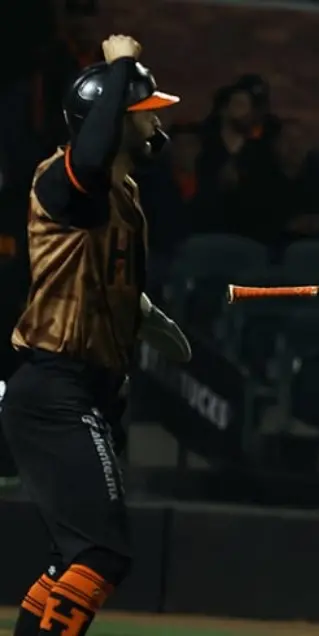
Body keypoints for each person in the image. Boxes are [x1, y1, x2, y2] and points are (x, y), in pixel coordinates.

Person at [0, 34, 191, 636]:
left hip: (90, 389)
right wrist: (120, 66)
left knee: (72, 557)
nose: (157, 122)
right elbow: (86, 163)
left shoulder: (125, 193)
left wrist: (140, 312)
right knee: (101, 553)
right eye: (143, 112)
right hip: (54, 385)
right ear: (110, 117)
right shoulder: (62, 179)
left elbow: (100, 274)